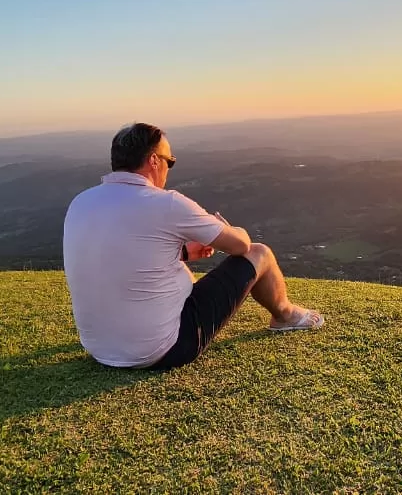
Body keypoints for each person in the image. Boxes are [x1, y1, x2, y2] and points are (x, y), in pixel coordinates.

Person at [63, 122, 324, 369]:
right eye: (169, 161)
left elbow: (119, 253)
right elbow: (241, 246)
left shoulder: (81, 202)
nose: (169, 168)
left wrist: (184, 252)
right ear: (153, 160)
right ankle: (285, 315)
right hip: (163, 349)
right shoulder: (166, 203)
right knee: (260, 253)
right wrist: (233, 229)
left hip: (99, 348)